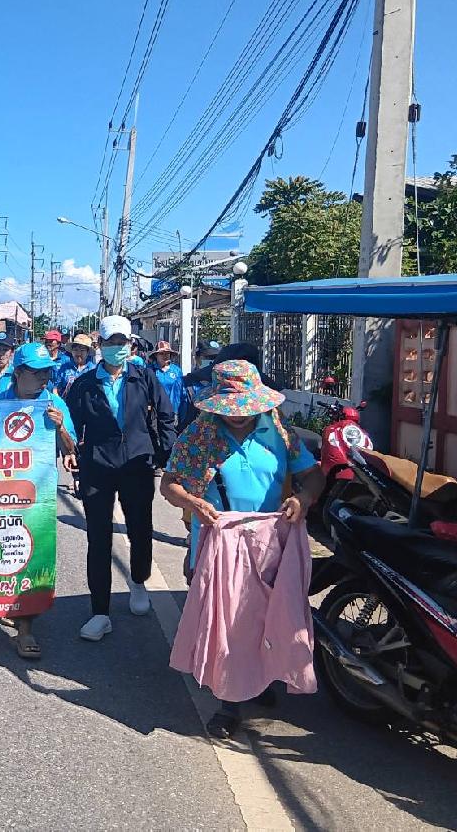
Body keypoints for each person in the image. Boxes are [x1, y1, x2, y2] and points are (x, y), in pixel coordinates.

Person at [160, 359, 323, 739]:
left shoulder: (278, 429)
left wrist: (303, 499)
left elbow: (313, 475)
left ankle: (260, 679)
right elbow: (169, 484)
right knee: (230, 624)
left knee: (268, 616)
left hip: (271, 541)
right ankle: (229, 702)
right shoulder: (200, 434)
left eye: (244, 407)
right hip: (218, 543)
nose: (237, 415)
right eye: (230, 408)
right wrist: (193, 503)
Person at [64, 315, 177, 640]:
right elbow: (71, 425)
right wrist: (70, 454)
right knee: (98, 537)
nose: (117, 347)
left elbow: (165, 414)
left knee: (140, 528)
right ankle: (100, 612)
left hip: (137, 463)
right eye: (111, 342)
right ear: (100, 345)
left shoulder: (143, 377)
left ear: (130, 344)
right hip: (97, 466)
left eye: (122, 342)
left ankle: (138, 581)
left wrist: (166, 456)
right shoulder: (85, 384)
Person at [0, 342, 78, 659]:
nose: (43, 378)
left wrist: (61, 428)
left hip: (37, 495)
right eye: (37, 372)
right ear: (18, 373)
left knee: (29, 555)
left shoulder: (53, 402)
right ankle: (5, 604)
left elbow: (70, 447)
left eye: (47, 373)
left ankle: (25, 628)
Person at [150, 340, 187, 429]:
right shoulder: (150, 370)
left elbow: (181, 392)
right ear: (156, 355)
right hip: (155, 410)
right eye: (161, 353)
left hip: (172, 410)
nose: (165, 355)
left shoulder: (176, 370)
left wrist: (178, 412)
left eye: (167, 353)